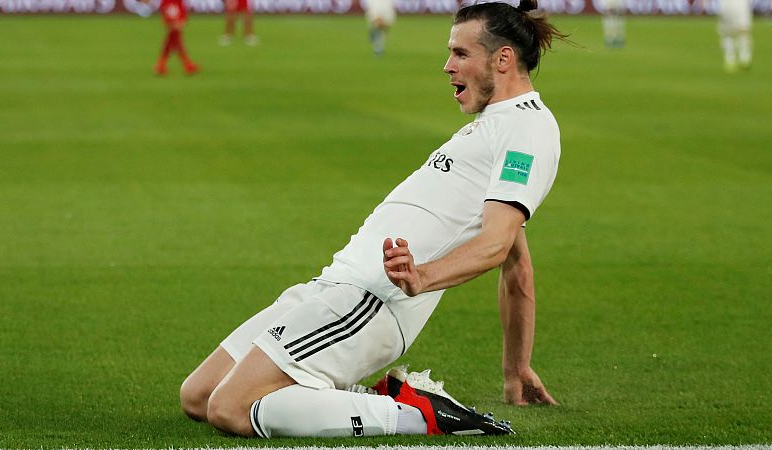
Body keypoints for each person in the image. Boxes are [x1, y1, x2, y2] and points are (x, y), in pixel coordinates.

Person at [180, 0, 565, 438]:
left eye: (460, 53)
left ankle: (418, 413)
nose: (447, 66)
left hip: (372, 301)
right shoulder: (493, 126)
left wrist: (422, 275)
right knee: (198, 395)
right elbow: (517, 263)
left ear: (502, 59)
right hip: (336, 287)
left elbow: (496, 242)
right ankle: (349, 395)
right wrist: (517, 370)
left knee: (229, 409)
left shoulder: (527, 129)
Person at [154, 0, 199, 75]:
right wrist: (170, 21)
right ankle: (188, 64)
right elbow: (164, 9)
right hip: (172, 19)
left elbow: (182, 8)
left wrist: (182, 19)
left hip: (177, 18)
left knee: (172, 40)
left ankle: (161, 65)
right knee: (175, 39)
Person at [717, 0, 753, 73]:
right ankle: (744, 58)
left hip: (726, 4)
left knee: (727, 33)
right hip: (740, 4)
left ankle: (730, 60)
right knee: (743, 31)